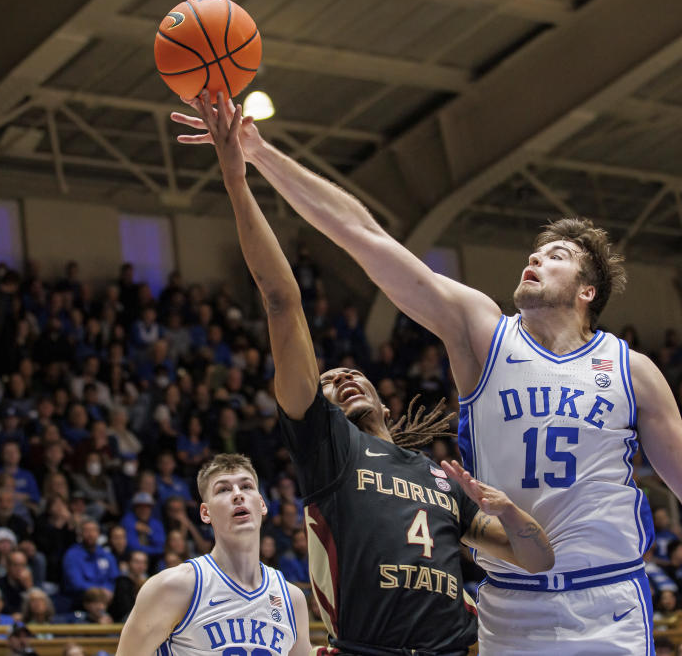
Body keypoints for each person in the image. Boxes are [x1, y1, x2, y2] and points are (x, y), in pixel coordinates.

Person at [172, 91, 682, 654]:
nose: (535, 259)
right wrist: (258, 155)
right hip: (510, 607)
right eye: (535, 251)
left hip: (607, 601)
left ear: (587, 289)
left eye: (556, 256)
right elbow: (365, 236)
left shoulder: (632, 371)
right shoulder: (481, 332)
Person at [173, 95, 553, 656]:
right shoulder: (329, 446)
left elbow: (537, 557)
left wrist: (508, 512)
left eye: (355, 374)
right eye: (329, 381)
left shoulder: (442, 477)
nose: (344, 379)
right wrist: (236, 180)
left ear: (385, 401)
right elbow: (281, 300)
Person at [117, 454, 312, 655]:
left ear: (262, 504)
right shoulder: (172, 588)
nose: (238, 495)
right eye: (224, 489)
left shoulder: (292, 599)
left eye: (246, 486)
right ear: (205, 513)